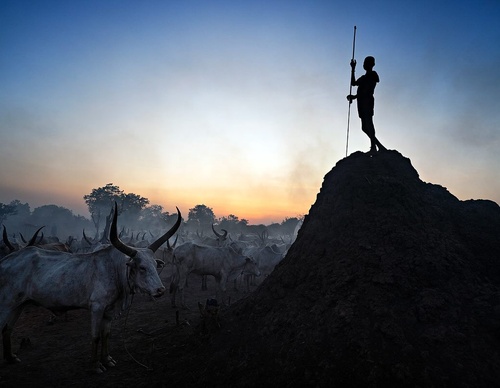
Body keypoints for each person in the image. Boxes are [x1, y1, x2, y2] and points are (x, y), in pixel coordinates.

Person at [347, 56, 386, 154]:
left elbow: (367, 90)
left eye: (367, 62)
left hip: (367, 101)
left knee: (369, 123)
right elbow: (353, 83)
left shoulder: (373, 75)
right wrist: (353, 69)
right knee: (364, 127)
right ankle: (378, 146)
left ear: (372, 64)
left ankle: (374, 147)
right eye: (364, 62)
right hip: (361, 102)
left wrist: (356, 96)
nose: (364, 64)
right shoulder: (363, 77)